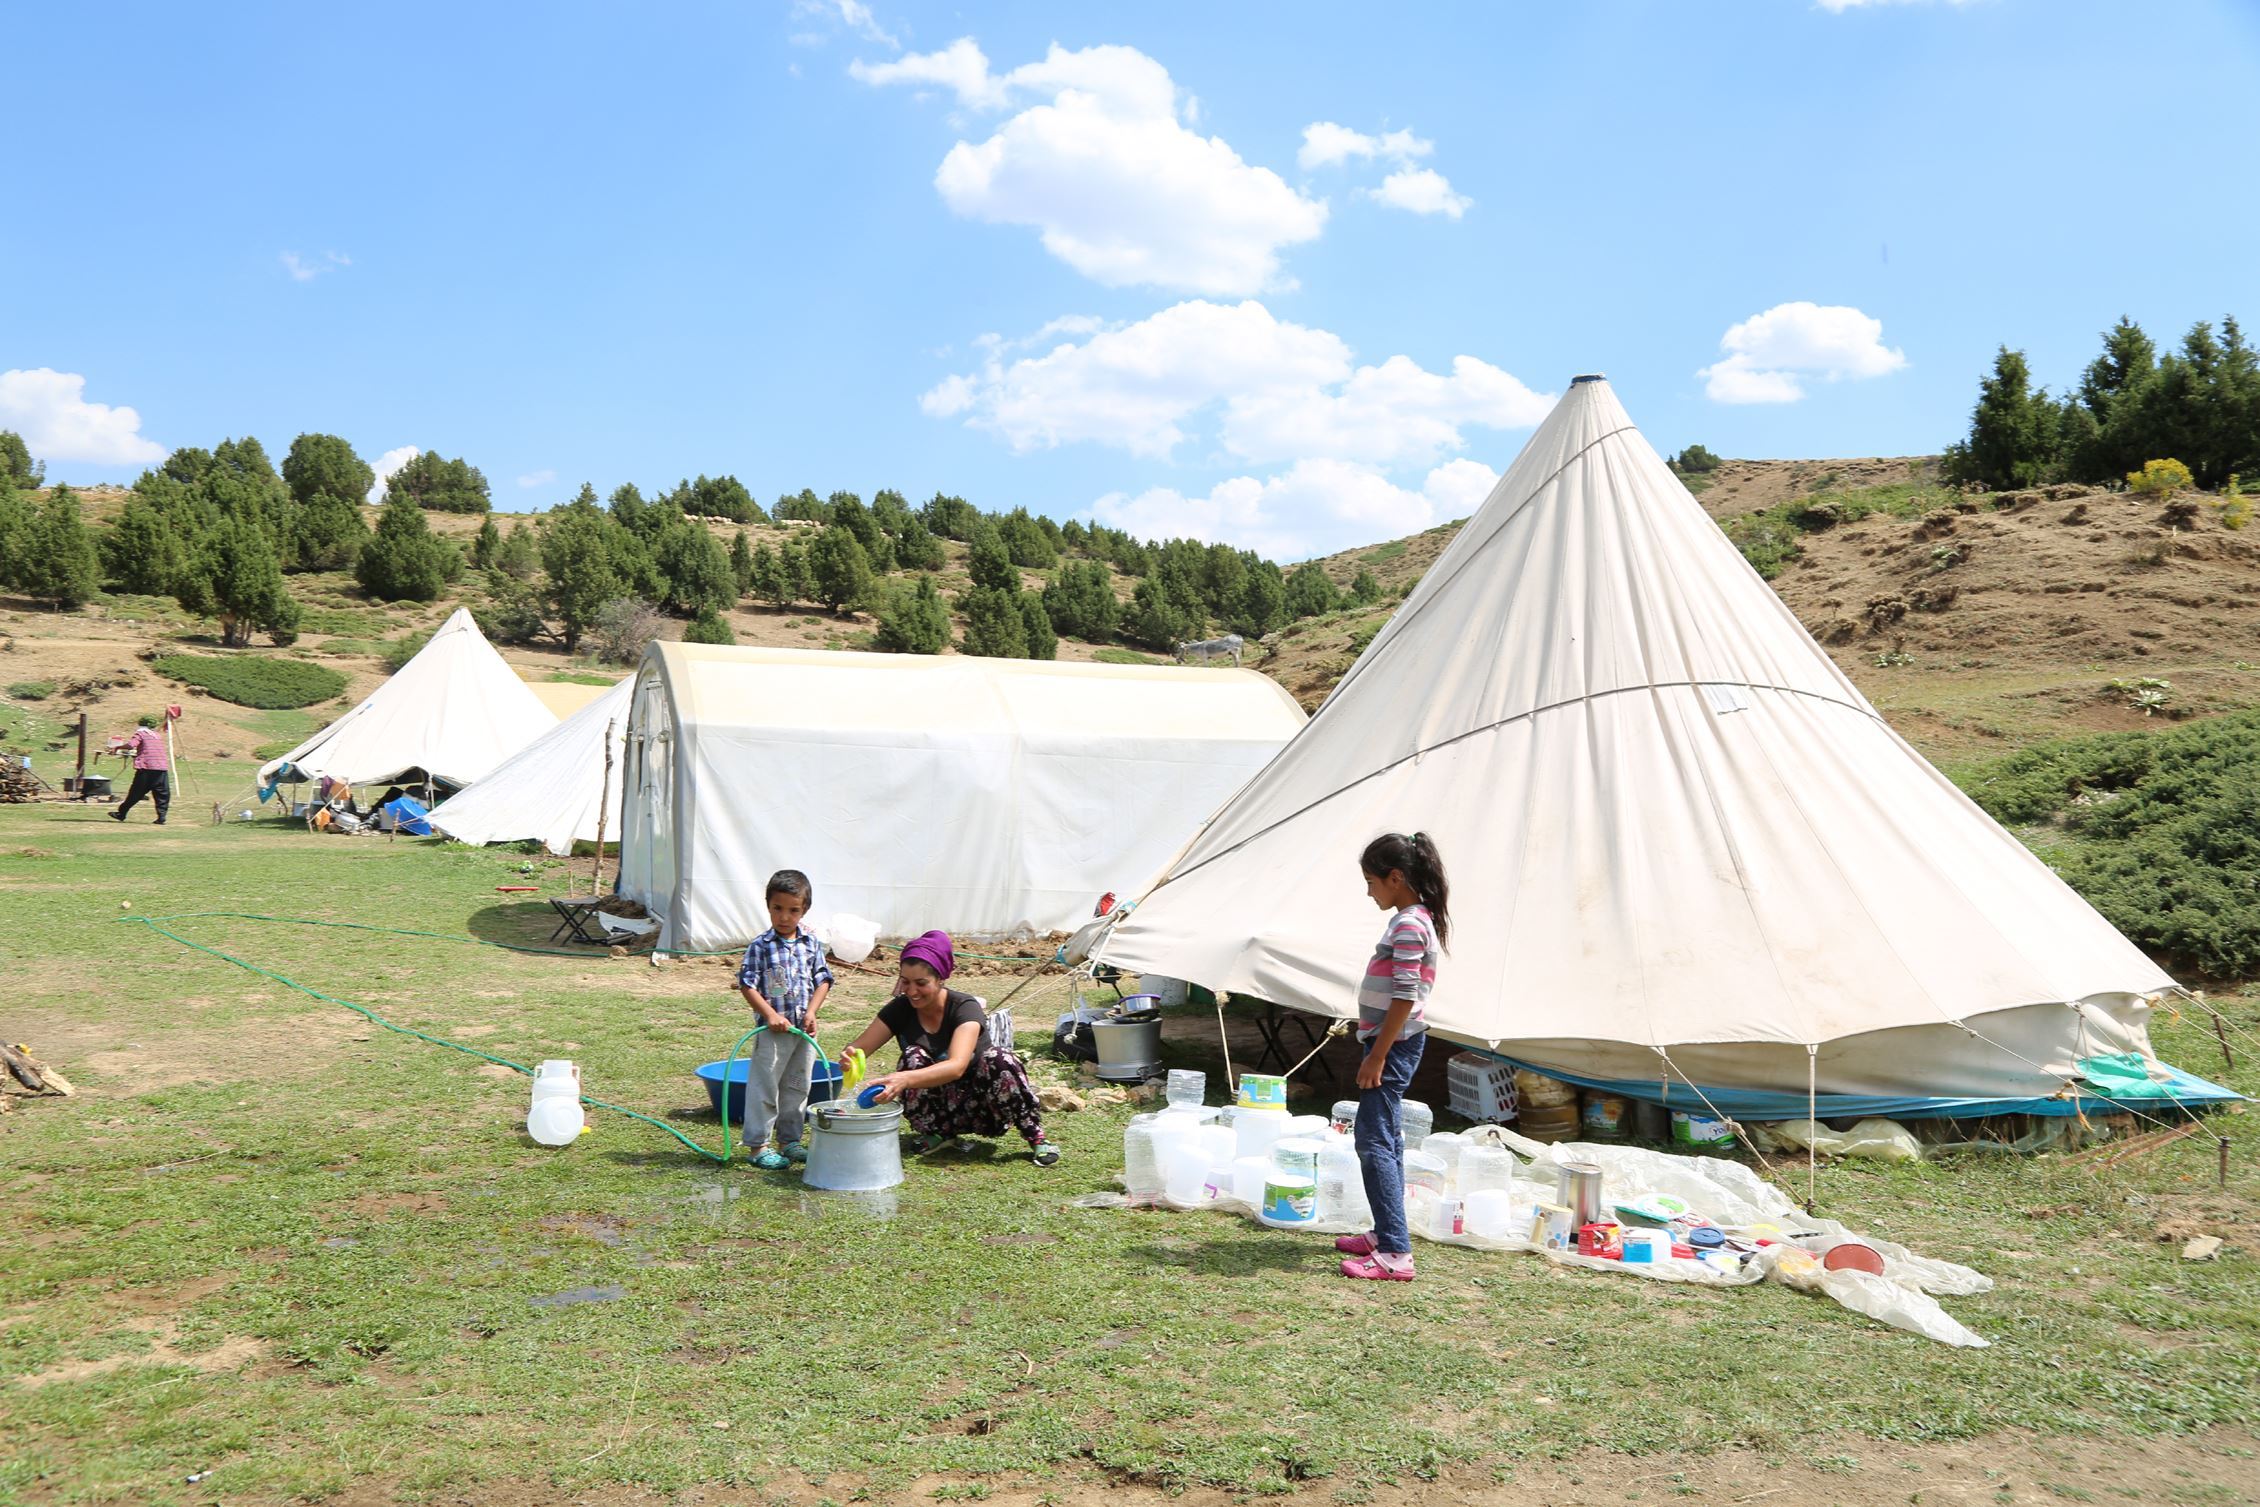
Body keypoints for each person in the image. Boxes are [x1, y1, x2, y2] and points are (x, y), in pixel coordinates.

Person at [837, 930, 1060, 1167]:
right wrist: (849, 1057)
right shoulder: (900, 1008)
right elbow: (859, 1047)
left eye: (921, 983)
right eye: (905, 981)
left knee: (1001, 1058)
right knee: (913, 1056)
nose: (911, 991)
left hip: (983, 1103)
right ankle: (937, 1132)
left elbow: (957, 1066)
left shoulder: (964, 1007)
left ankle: (1036, 1137)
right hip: (941, 1103)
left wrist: (902, 1079)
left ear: (941, 978)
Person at [1336, 832, 1450, 1282]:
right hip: (1394, 1041)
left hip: (1394, 1044)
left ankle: (1396, 1254)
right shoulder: (1414, 918)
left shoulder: (1408, 923)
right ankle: (1387, 1233)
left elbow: (1404, 995)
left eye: (1371, 881)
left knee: (1374, 1141)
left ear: (1395, 877)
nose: (1369, 892)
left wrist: (1376, 1055)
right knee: (1387, 1139)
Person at [735, 869, 834, 1169]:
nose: (784, 917)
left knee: (797, 1086)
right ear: (768, 906)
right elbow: (747, 984)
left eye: (793, 910)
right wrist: (771, 1015)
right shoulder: (761, 946)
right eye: (778, 908)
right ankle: (758, 1145)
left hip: (803, 1033)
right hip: (773, 1033)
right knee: (765, 1088)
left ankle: (789, 1141)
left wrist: (812, 1012)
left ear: (804, 910)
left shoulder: (810, 943)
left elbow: (824, 979)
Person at [108, 712, 174, 825]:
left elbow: (131, 745)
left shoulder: (141, 733)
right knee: (162, 794)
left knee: (135, 793)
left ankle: (121, 813)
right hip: (161, 768)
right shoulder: (157, 735)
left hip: (146, 768)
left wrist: (117, 747)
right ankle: (161, 817)